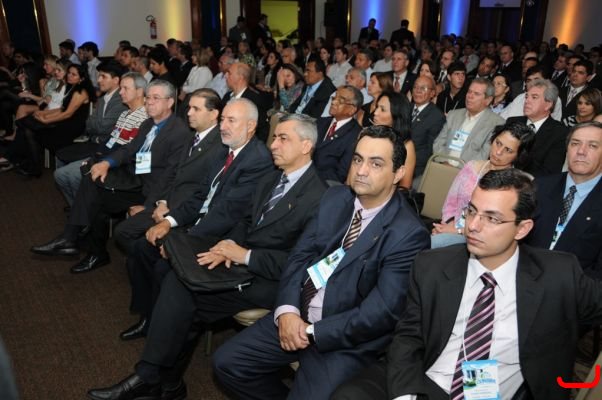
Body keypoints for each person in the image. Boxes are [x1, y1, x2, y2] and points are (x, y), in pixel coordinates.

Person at [86, 113, 327, 400]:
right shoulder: (272, 178)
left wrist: (245, 255)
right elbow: (245, 222)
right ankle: (161, 380)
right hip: (237, 261)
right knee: (179, 286)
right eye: (274, 137)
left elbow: (301, 264)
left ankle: (156, 379)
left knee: (183, 294)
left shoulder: (320, 198)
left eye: (283, 138)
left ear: (306, 146)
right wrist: (227, 245)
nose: (273, 144)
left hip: (270, 282)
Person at [333, 167, 602, 400]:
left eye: (492, 218)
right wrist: (406, 396)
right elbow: (408, 338)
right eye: (472, 211)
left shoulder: (558, 275)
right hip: (426, 381)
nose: (473, 225)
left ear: (522, 228)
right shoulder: (432, 266)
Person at [212, 125, 429, 400]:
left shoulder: (408, 234)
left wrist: (312, 331)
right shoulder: (335, 198)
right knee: (227, 363)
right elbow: (299, 257)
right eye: (358, 159)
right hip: (296, 315)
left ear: (398, 173)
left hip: (341, 339)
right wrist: (288, 311)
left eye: (376, 164)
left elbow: (380, 313)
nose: (361, 171)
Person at [30, 80, 191, 274]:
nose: (149, 102)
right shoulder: (148, 123)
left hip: (152, 191)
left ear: (170, 102)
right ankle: (77, 241)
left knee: (96, 196)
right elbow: (129, 149)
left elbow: (171, 176)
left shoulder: (179, 132)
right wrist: (107, 163)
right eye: (148, 97)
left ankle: (79, 242)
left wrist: (149, 206)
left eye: (156, 98)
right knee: (94, 177)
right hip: (137, 176)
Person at [113, 88, 224, 254]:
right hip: (164, 199)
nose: (189, 113)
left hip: (186, 212)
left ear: (213, 114)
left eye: (196, 109)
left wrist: (168, 214)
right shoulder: (191, 136)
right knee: (123, 232)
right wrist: (162, 202)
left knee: (137, 241)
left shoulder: (219, 146)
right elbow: (174, 174)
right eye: (189, 108)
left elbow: (203, 192)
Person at [431, 122, 535, 248]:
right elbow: (450, 204)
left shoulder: (518, 184)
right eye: (498, 143)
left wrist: (458, 231)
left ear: (518, 156)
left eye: (508, 150)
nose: (498, 152)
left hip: (483, 240)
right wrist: (445, 226)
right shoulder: (471, 167)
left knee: (431, 244)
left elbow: (495, 226)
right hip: (451, 228)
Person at [527, 121, 602, 279]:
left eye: (592, 146)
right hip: (525, 277)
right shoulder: (540, 187)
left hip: (576, 288)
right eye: (575, 144)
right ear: (567, 149)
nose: (581, 151)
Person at [433, 78, 504, 164]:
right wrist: (444, 162)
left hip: (468, 170)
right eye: (469, 92)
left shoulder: (496, 124)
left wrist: (460, 169)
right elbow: (438, 143)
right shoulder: (453, 115)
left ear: (488, 100)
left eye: (476, 94)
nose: (470, 96)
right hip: (441, 165)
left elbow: (484, 155)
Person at [506, 79, 568, 177]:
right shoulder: (512, 122)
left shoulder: (559, 133)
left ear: (548, 104)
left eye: (534, 97)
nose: (527, 101)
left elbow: (549, 172)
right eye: (526, 97)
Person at [313, 85, 363, 183]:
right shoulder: (320, 122)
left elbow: (340, 175)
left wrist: (308, 174)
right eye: (334, 98)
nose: (333, 102)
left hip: (323, 184)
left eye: (340, 100)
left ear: (352, 110)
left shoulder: (356, 135)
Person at [373, 92, 416, 189]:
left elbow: (404, 186)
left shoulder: (406, 145)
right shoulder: (368, 136)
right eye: (377, 107)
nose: (375, 112)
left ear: (396, 115)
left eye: (382, 109)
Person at [410, 76, 446, 183]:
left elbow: (430, 150)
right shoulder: (406, 108)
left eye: (423, 88)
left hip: (416, 168)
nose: (418, 91)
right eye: (415, 87)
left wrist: (406, 158)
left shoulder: (437, 117)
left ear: (432, 93)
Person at [222, 62, 270, 142]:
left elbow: (262, 131)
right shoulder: (227, 96)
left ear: (240, 78)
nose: (226, 76)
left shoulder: (254, 100)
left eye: (229, 73)